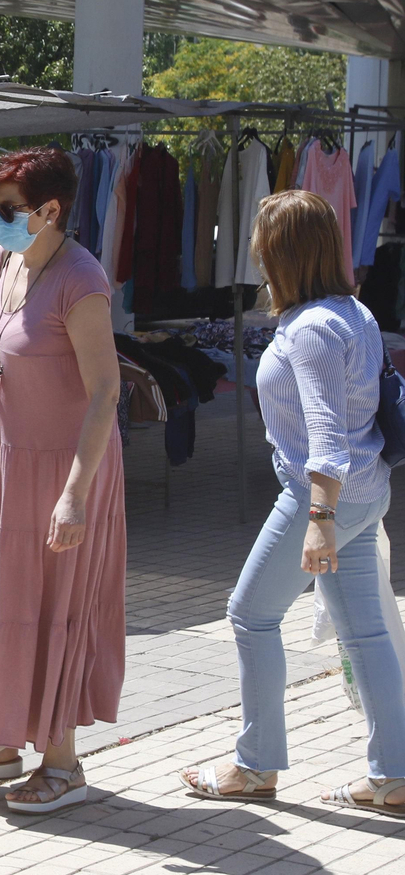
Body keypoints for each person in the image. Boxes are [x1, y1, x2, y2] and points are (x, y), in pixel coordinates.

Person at [181, 189, 405, 817]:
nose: (254, 251)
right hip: (365, 492)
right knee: (366, 636)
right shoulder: (352, 311)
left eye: (259, 241)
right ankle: (393, 777)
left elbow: (328, 433)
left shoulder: (308, 330)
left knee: (250, 615)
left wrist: (318, 520)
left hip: (323, 498)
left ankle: (254, 768)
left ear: (279, 252)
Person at [0, 146, 125, 815]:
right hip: (0, 465)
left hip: (62, 471)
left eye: (6, 210)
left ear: (51, 210)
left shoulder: (81, 280)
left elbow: (105, 393)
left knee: (45, 611)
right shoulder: (8, 261)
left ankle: (61, 764)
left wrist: (74, 494)